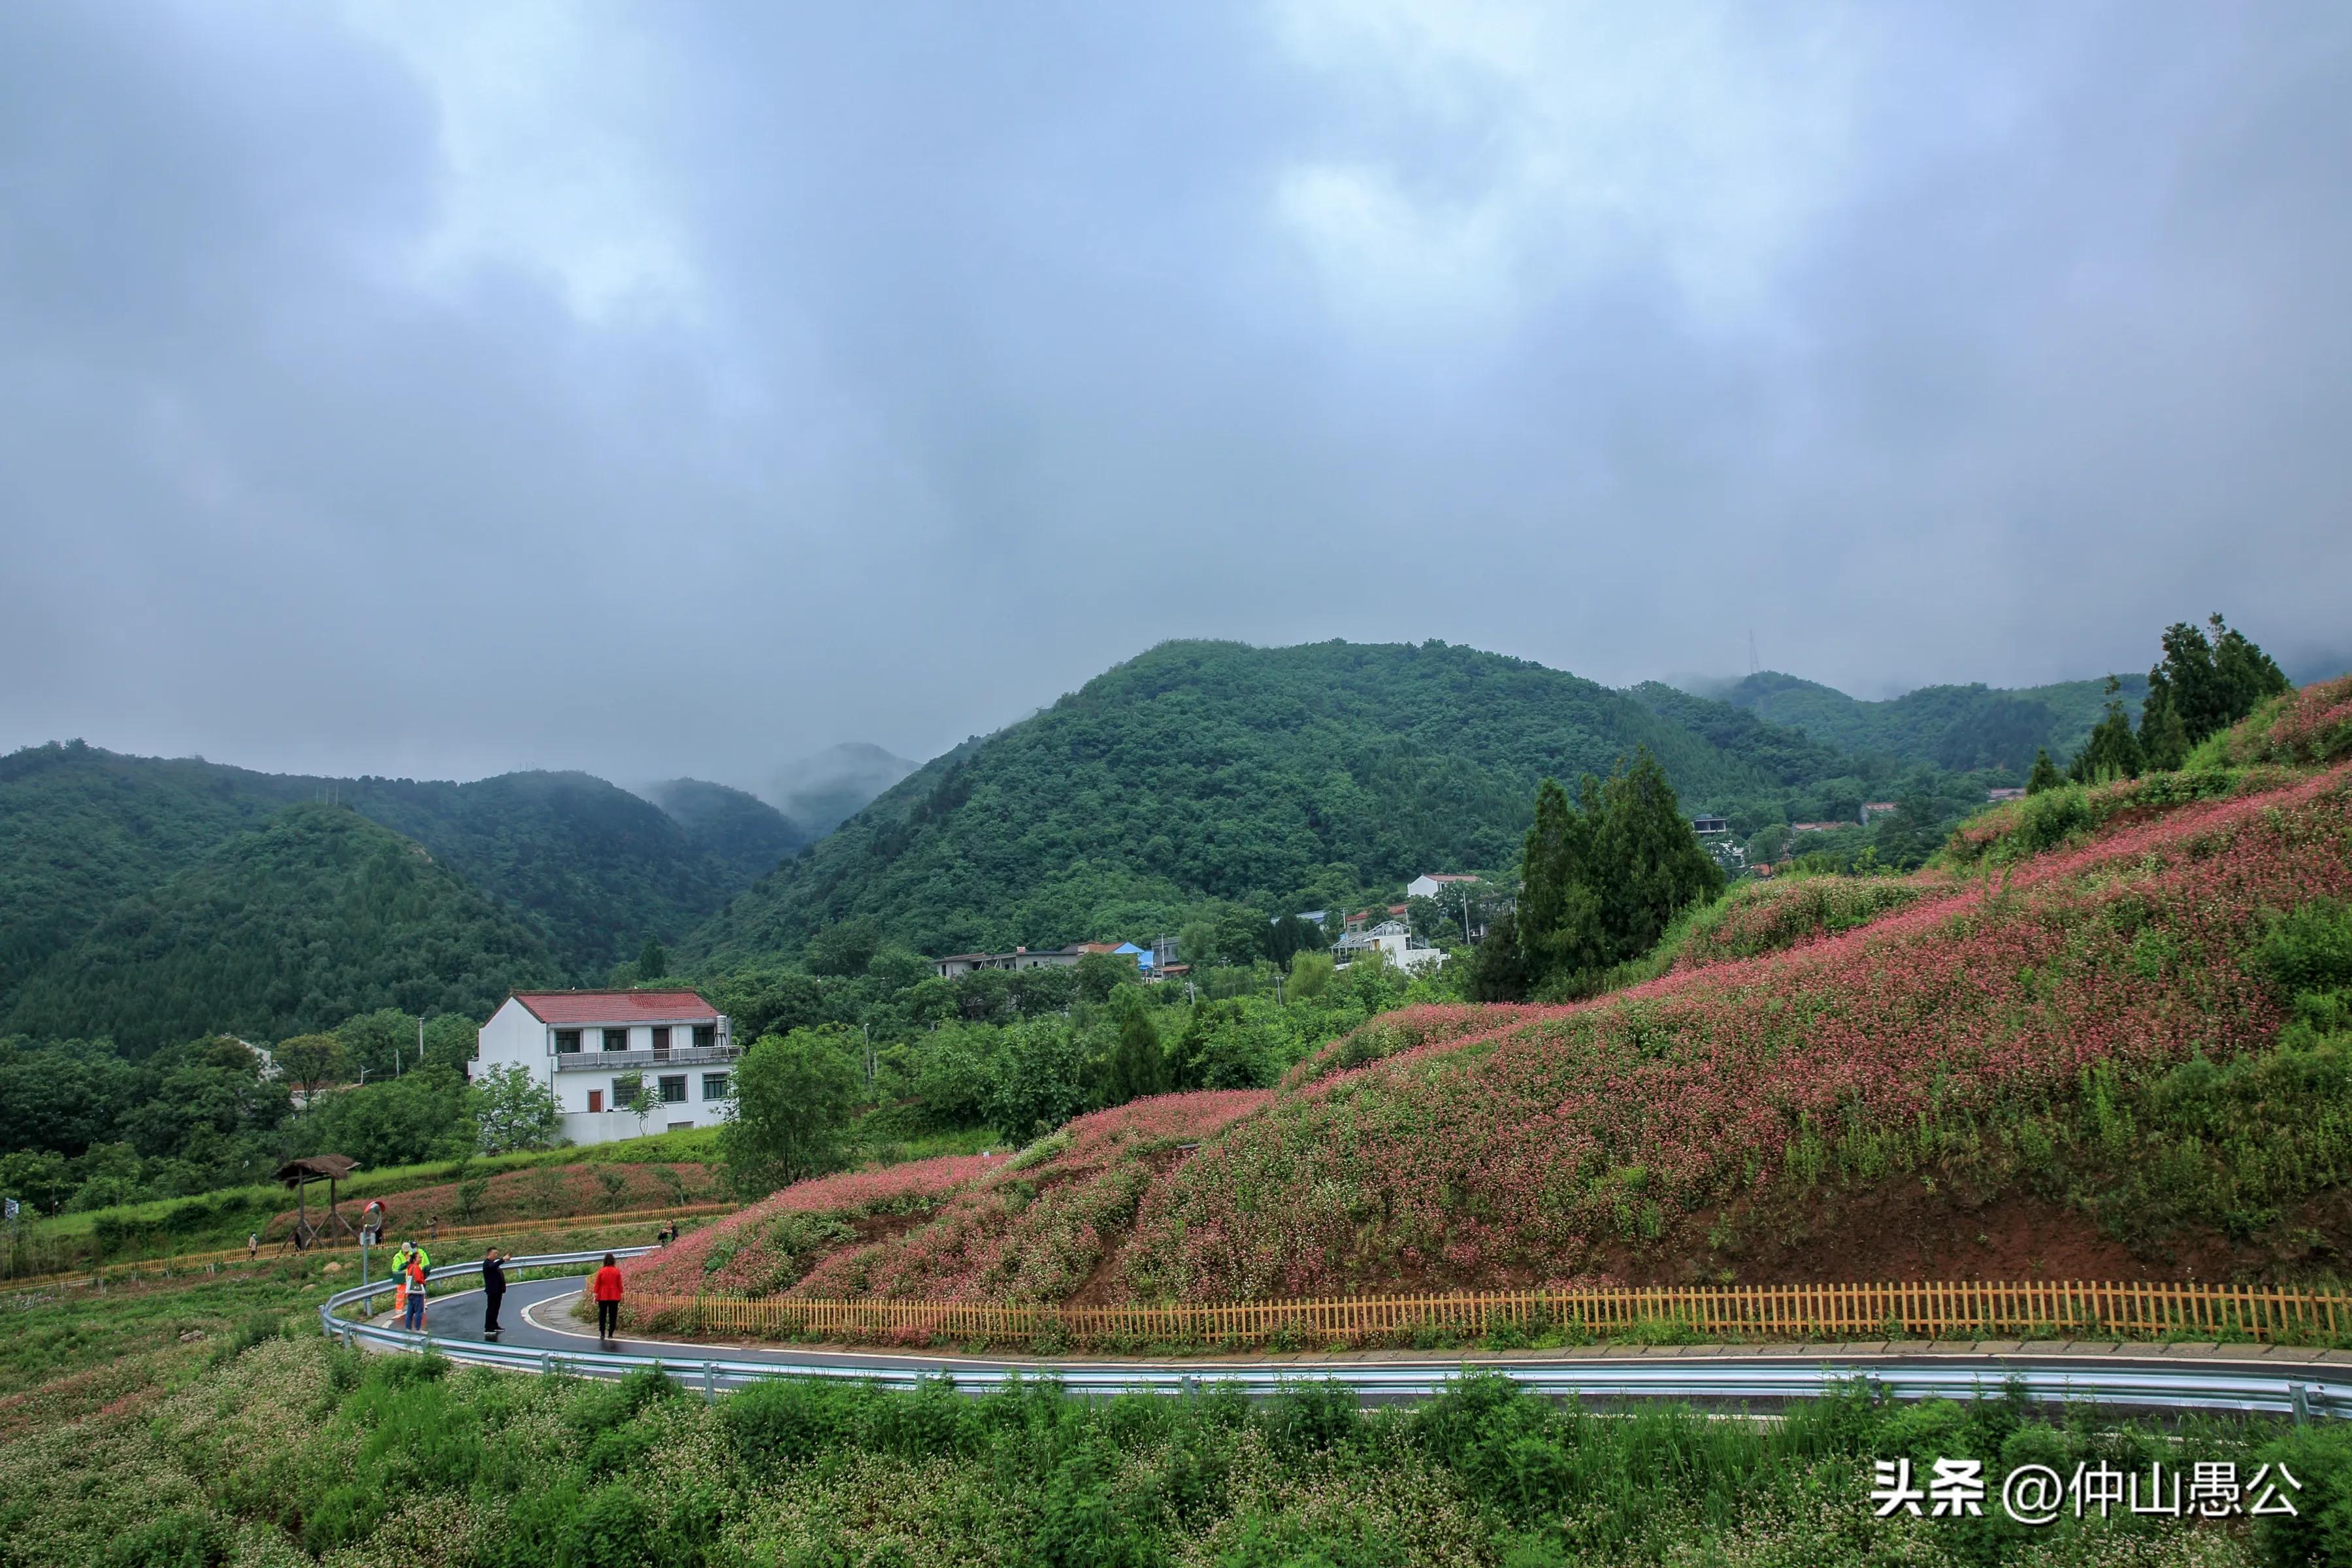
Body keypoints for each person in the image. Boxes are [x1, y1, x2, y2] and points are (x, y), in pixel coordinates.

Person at [590, 1252, 625, 1343]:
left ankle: (602, 1333)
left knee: (602, 1315)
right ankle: (611, 1334)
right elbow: (620, 1285)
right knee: (613, 1315)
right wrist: (621, 1293)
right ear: (613, 1261)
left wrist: (595, 1294)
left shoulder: (601, 1271)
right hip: (614, 1295)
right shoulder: (616, 1271)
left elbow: (597, 1284)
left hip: (603, 1295)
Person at [481, 1249, 508, 1337]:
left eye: (497, 1253)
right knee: (491, 1309)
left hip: (498, 1290)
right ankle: (488, 1328)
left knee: (496, 1308)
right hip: (492, 1290)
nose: (496, 1255)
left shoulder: (492, 1263)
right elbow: (493, 1267)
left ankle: (494, 1325)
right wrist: (503, 1260)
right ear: (490, 1254)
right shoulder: (487, 1263)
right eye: (495, 1253)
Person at [401, 1253, 427, 1331]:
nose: (421, 1259)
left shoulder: (410, 1267)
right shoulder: (416, 1267)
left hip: (410, 1292)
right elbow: (418, 1279)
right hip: (417, 1292)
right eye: (419, 1258)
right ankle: (418, 1329)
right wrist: (424, 1282)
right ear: (415, 1259)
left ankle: (408, 1328)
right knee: (419, 1311)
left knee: (410, 1311)